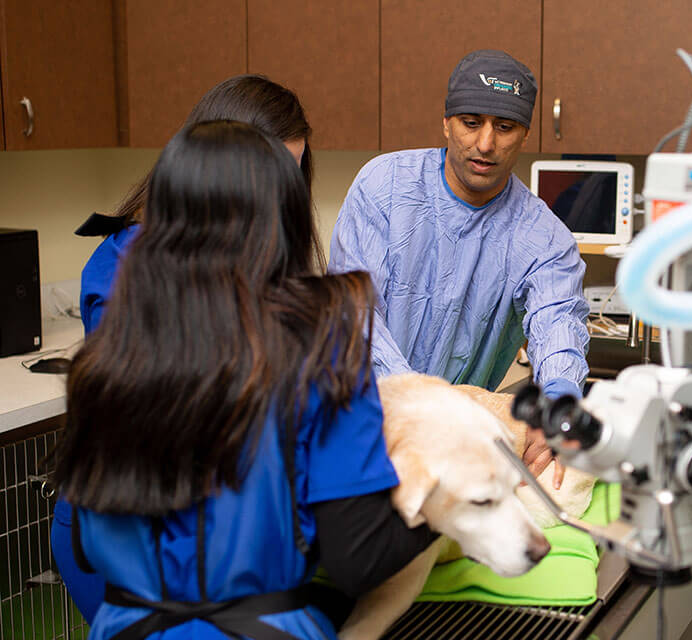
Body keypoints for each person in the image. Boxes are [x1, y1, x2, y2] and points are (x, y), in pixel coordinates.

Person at [53, 120, 436, 639]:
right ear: (286, 219)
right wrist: (442, 505)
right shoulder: (321, 349)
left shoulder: (104, 362)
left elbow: (83, 546)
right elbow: (357, 560)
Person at [55, 75, 318, 625]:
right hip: (131, 525)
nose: (279, 202)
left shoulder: (262, 268)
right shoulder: (122, 267)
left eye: (291, 181)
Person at [328, 50, 590, 485]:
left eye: (504, 127)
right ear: (445, 122)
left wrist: (559, 405)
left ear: (525, 134)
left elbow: (558, 324)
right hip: (358, 425)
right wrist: (423, 405)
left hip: (454, 447)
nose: (485, 144)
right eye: (471, 123)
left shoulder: (544, 238)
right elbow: (353, 317)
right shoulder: (383, 187)